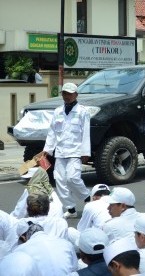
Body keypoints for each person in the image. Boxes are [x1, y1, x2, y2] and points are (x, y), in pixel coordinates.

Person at [40, 82, 91, 219]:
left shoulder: (82, 111)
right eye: (64, 93)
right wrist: (47, 149)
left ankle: (87, 198)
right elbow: (52, 133)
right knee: (60, 181)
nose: (67, 96)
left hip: (75, 151)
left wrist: (85, 152)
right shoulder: (57, 111)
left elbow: (86, 132)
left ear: (76, 95)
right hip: (61, 152)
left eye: (69, 94)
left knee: (72, 178)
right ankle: (71, 209)